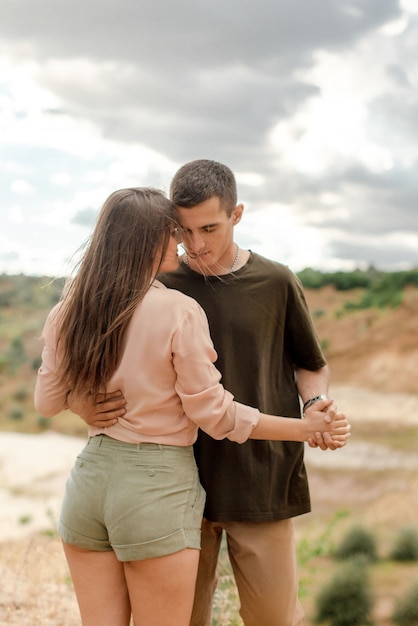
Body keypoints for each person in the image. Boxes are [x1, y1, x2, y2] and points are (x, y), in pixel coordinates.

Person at [35, 186, 350, 626]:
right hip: (160, 485)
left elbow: (46, 401)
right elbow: (214, 414)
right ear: (148, 239)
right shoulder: (178, 307)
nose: (185, 243)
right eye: (175, 231)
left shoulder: (69, 307)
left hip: (89, 484)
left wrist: (82, 400)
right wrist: (304, 428)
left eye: (203, 229)